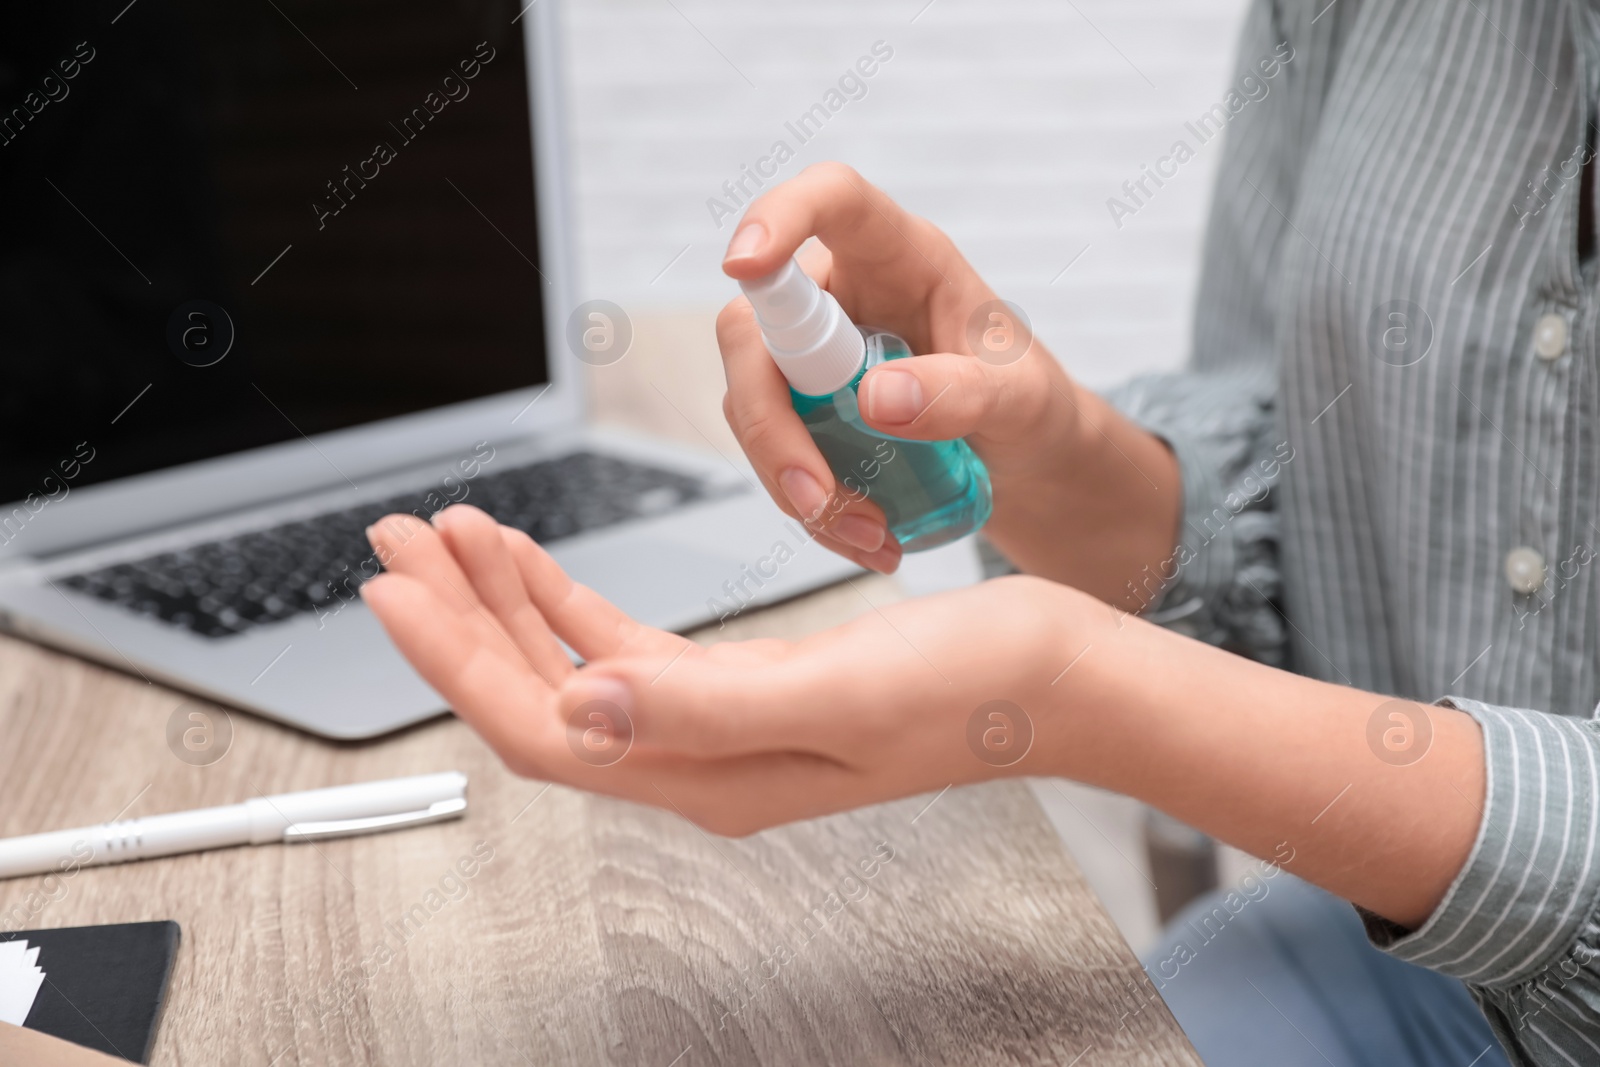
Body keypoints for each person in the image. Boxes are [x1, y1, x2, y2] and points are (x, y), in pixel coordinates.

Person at [360, 1, 1600, 1062]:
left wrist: (1069, 694)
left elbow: (1127, 691)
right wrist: (1055, 449)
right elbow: (1297, 484)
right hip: (1388, 964)